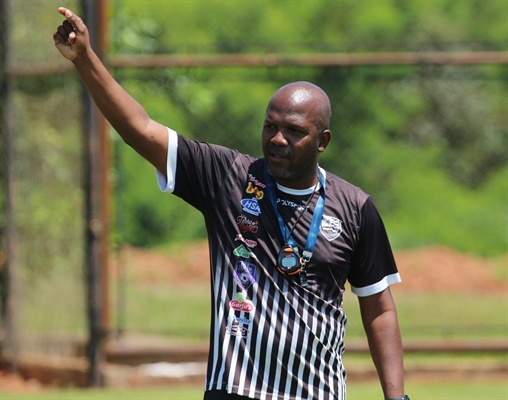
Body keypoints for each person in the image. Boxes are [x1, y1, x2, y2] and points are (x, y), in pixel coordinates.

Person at [54, 7, 409, 400]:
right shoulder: (227, 178)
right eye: (270, 126)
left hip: (317, 392)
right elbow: (141, 129)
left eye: (294, 131)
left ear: (322, 141)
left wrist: (396, 397)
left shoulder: (355, 208)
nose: (277, 139)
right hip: (235, 390)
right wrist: (85, 60)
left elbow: (379, 306)